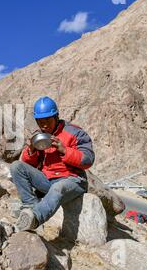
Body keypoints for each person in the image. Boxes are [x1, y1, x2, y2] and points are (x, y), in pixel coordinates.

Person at [11, 96, 95, 231]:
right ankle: (29, 208)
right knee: (17, 167)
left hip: (73, 180)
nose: (44, 125)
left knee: (58, 188)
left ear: (56, 116)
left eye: (47, 120)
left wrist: (64, 150)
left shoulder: (75, 132)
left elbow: (88, 159)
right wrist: (31, 150)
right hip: (47, 180)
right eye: (40, 122)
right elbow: (30, 165)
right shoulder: (39, 135)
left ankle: (35, 219)